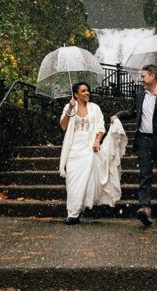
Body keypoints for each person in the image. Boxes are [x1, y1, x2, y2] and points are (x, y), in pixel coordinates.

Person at [114, 64, 157, 226]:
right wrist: (118, 116)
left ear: (152, 76)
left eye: (143, 76)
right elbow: (132, 112)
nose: (141, 79)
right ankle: (145, 208)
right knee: (145, 174)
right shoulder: (140, 95)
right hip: (144, 140)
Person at [59, 81, 127, 224]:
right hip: (73, 147)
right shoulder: (69, 106)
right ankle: (73, 210)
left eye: (88, 90)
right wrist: (70, 109)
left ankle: (74, 213)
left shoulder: (95, 108)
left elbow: (101, 127)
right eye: (83, 91)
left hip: (89, 147)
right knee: (72, 180)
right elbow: (64, 126)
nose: (87, 93)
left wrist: (97, 141)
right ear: (76, 94)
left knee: (87, 178)